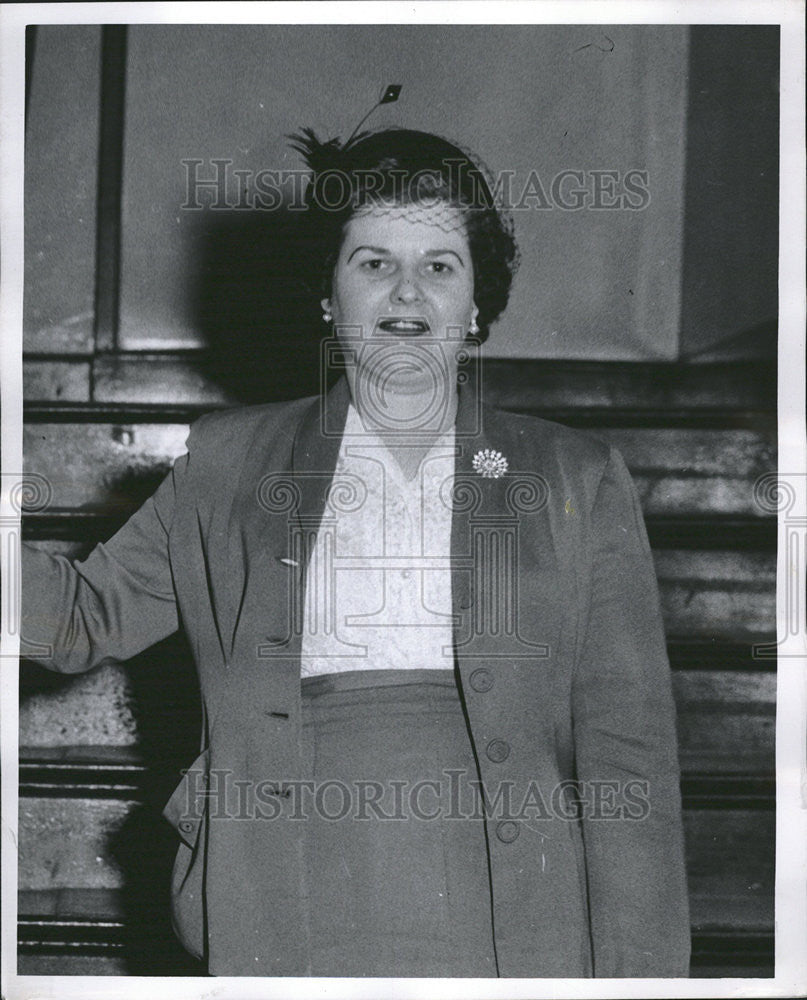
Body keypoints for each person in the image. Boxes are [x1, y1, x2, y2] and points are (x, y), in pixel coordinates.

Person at [21, 126, 691, 978]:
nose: (405, 290)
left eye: (439, 265)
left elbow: (625, 750)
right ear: (328, 295)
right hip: (289, 884)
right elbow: (82, 617)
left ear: (477, 302)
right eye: (373, 262)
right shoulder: (230, 462)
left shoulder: (573, 474)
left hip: (514, 902)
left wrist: (640, 976)